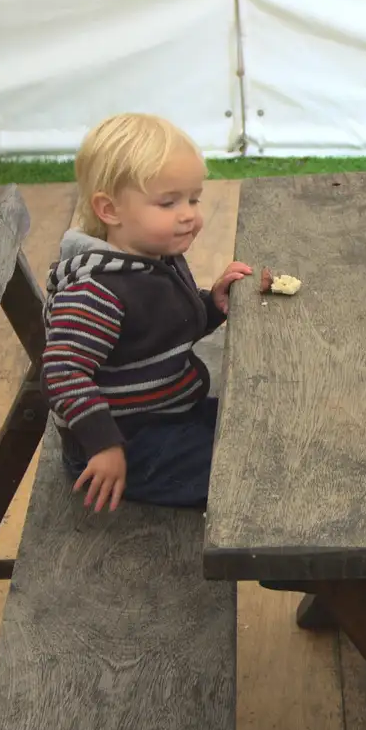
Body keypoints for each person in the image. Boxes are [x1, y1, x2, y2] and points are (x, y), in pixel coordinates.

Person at [42, 113, 253, 512]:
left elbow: (159, 329)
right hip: (127, 445)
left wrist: (212, 305)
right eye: (168, 202)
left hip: (167, 412)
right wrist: (104, 445)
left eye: (194, 198)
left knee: (257, 427)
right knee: (247, 475)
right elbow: (62, 372)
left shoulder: (151, 258)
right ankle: (302, 563)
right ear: (110, 210)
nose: (188, 213)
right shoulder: (96, 291)